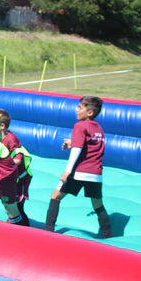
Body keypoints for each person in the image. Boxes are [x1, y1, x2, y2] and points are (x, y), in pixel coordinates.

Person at [44, 96, 111, 238]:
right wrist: (73, 142)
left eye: (80, 107)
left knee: (55, 196)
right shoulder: (98, 128)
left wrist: (67, 171)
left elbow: (78, 149)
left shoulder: (79, 126)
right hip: (96, 173)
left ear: (89, 112)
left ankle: (48, 231)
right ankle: (107, 234)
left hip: (80, 172)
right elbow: (90, 146)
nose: (76, 109)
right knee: (98, 204)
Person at [0, 108, 32, 222]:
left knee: (18, 206)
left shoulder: (11, 139)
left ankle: (23, 229)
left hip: (21, 179)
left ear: (2, 126)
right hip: (12, 178)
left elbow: (18, 159)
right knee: (9, 205)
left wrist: (1, 164)